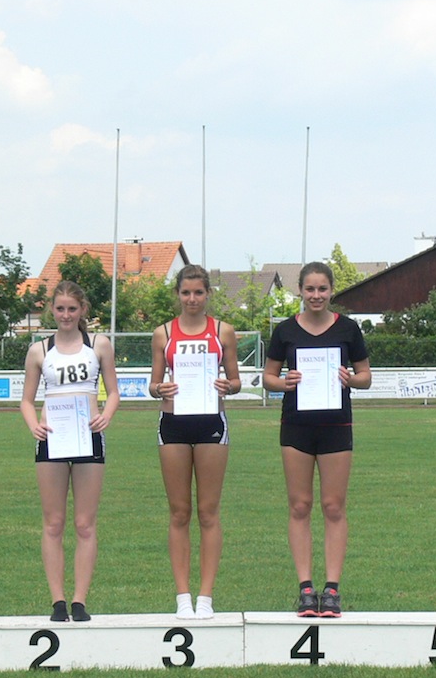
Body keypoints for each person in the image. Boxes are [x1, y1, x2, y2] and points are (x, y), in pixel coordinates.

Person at [264, 261, 371, 618]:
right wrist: (285, 383)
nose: (316, 295)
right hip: (296, 427)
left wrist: (349, 379)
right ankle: (306, 589)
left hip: (336, 427)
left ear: (331, 290)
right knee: (299, 506)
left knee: (333, 506)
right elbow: (268, 377)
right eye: (309, 289)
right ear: (300, 290)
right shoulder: (285, 331)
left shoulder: (348, 329)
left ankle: (333, 589)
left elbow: (366, 376)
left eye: (322, 289)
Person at [147, 265, 242, 619]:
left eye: (198, 292)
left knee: (208, 511)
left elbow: (236, 381)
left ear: (207, 294)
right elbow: (153, 384)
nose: (192, 299)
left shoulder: (222, 331)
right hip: (173, 424)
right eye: (186, 293)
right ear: (177, 294)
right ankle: (182, 597)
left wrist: (228, 386)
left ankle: (206, 597)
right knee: (179, 512)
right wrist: (160, 388)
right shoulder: (163, 334)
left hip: (211, 424)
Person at [21, 281, 120, 622]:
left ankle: (79, 600)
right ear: (52, 309)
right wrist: (33, 424)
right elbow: (26, 400)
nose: (66, 315)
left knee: (84, 523)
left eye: (72, 309)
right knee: (53, 523)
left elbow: (114, 392)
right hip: (52, 438)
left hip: (88, 437)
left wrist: (106, 415)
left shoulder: (99, 345)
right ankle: (58, 601)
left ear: (83, 310)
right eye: (60, 308)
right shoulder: (39, 351)